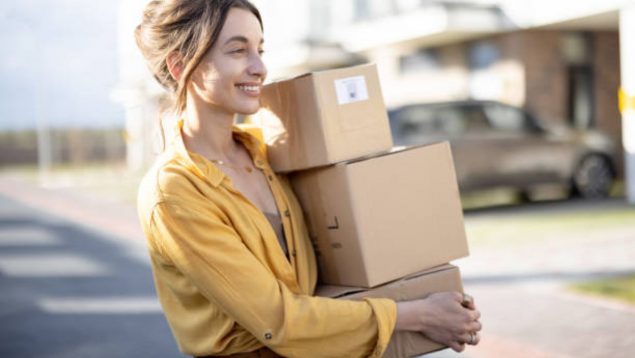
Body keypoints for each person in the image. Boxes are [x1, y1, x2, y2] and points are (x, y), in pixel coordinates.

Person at [134, 1, 482, 357]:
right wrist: (419, 315)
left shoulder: (269, 155)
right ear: (180, 66)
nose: (259, 67)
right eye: (238, 51)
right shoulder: (175, 191)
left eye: (260, 49)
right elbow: (280, 321)